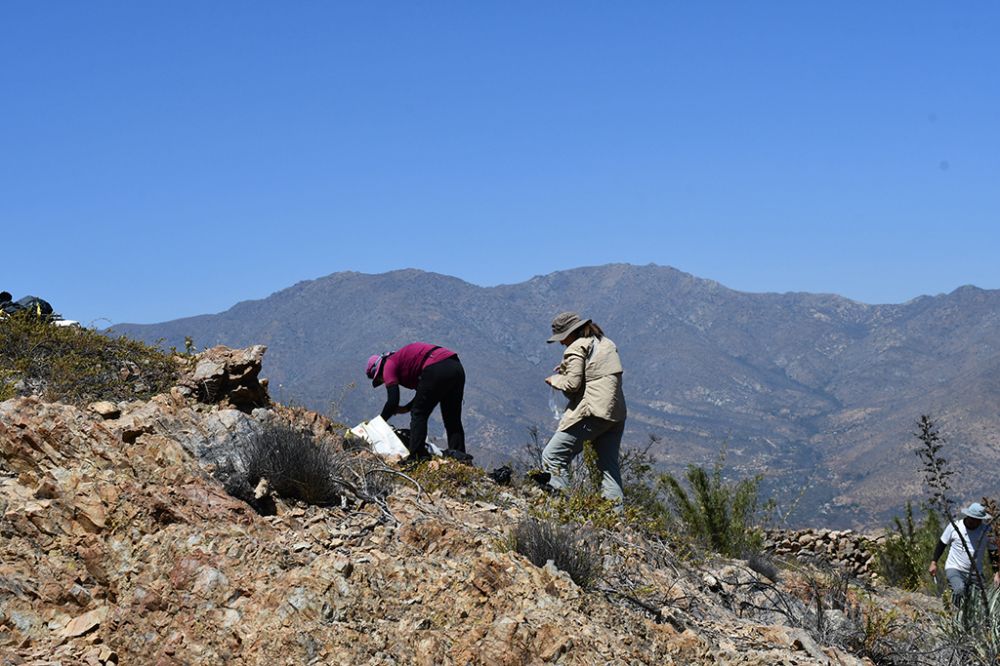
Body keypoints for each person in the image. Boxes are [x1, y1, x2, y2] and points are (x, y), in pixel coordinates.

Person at [537, 311, 627, 507]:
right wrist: (567, 368)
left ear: (572, 332)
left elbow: (572, 385)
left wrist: (555, 380)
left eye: (563, 338)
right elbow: (596, 374)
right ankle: (617, 520)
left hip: (592, 412)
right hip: (615, 414)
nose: (562, 343)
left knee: (553, 457)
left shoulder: (576, 347)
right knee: (608, 468)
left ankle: (561, 511)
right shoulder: (604, 342)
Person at [365, 342, 469, 461]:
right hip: (455, 367)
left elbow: (392, 401)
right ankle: (460, 458)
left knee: (418, 414)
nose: (383, 381)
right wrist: (406, 408)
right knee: (452, 419)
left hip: (436, 367)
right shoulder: (404, 363)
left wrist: (378, 424)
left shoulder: (389, 365)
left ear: (379, 371)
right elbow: (423, 393)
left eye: (380, 379)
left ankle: (417, 456)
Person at [928, 502, 1000, 608]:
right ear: (968, 516)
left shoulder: (987, 531)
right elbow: (942, 544)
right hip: (955, 568)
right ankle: (957, 613)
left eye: (978, 520)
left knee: (982, 601)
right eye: (973, 518)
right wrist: (934, 562)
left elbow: (993, 553)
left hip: (976, 573)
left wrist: (996, 573)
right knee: (959, 589)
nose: (974, 522)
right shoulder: (955, 526)